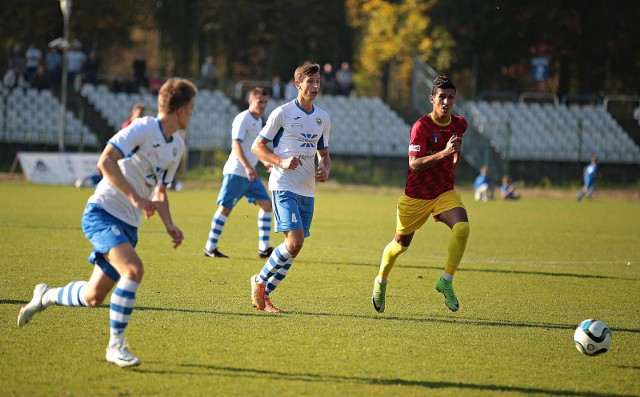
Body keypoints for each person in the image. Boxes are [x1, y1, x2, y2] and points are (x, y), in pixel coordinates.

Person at [18, 78, 197, 368]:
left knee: (93, 296)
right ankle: (116, 346)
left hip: (128, 223)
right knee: (134, 269)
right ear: (179, 110)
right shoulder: (143, 128)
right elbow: (106, 161)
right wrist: (136, 199)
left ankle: (46, 295)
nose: (192, 113)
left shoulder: (176, 146)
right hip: (102, 211)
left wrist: (169, 225)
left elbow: (160, 191)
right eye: (191, 107)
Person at [371, 75, 469, 314]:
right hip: (416, 196)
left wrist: (453, 157)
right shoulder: (421, 127)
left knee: (463, 228)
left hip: (444, 192)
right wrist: (445, 154)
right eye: (442, 97)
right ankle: (381, 281)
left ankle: (446, 281)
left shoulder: (459, 123)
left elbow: (456, 149)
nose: (446, 102)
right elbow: (414, 164)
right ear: (432, 99)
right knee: (400, 246)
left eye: (451, 97)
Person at [249, 63, 331, 313]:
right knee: (294, 243)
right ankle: (259, 281)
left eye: (318, 81)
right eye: (310, 82)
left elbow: (324, 154)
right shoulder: (281, 113)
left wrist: (325, 167)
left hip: (308, 189)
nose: (315, 86)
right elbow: (257, 146)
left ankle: (264, 296)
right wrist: (281, 161)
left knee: (295, 248)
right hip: (284, 184)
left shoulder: (323, 118)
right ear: (298, 85)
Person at [203, 87, 273, 259]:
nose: (262, 105)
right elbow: (236, 145)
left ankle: (263, 248)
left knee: (266, 205)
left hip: (250, 174)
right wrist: (248, 167)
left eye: (265, 102)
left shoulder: (258, 121)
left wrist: (265, 162)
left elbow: (254, 148)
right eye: (259, 102)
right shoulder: (243, 118)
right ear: (251, 101)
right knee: (225, 208)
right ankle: (210, 247)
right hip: (237, 172)